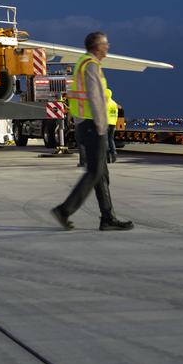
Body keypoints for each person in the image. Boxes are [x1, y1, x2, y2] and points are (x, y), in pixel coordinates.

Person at [52, 32, 134, 232]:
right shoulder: (90, 64)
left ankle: (107, 217)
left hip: (87, 125)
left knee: (101, 174)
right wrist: (101, 127)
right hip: (92, 126)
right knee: (95, 172)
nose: (108, 46)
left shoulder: (85, 63)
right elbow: (95, 98)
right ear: (97, 46)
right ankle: (64, 210)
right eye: (105, 43)